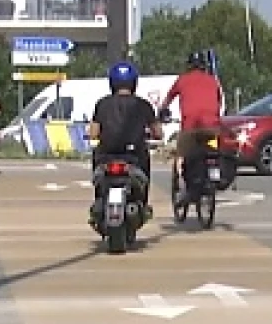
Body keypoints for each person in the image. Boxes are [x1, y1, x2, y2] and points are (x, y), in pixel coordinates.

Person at [87, 60, 163, 220]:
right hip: (135, 156)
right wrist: (152, 135)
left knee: (98, 179)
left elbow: (93, 132)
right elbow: (158, 132)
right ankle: (142, 203)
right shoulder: (144, 105)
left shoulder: (102, 104)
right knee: (144, 178)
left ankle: (99, 200)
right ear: (134, 83)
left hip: (106, 155)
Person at [158, 50, 225, 201]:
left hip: (191, 128)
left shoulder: (182, 80)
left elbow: (168, 99)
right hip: (212, 128)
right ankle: (216, 173)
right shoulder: (212, 81)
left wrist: (162, 112)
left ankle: (183, 188)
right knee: (214, 152)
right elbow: (219, 102)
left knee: (182, 155)